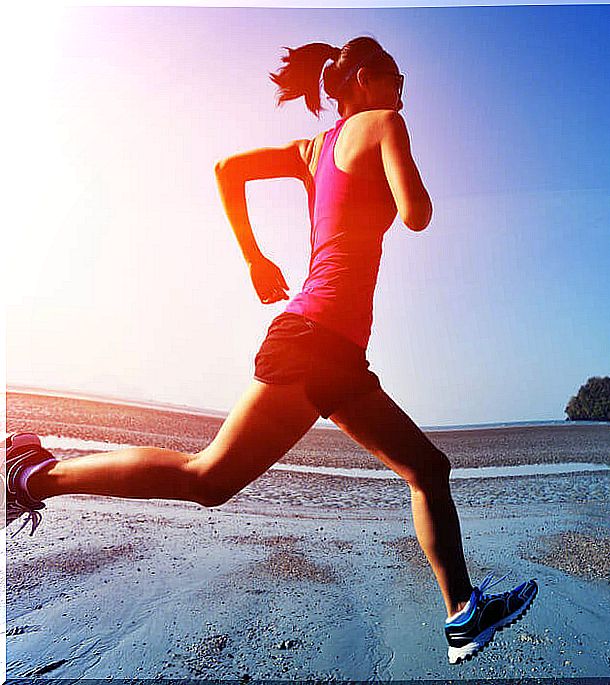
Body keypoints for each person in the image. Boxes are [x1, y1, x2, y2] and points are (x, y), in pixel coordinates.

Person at [5, 35, 536, 665]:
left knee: (428, 469)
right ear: (365, 77)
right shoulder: (384, 122)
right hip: (314, 341)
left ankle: (462, 615)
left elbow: (227, 170)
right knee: (208, 477)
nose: (403, 92)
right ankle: (34, 474)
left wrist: (255, 258)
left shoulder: (313, 150)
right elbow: (417, 213)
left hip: (336, 354)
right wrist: (396, 167)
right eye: (396, 77)